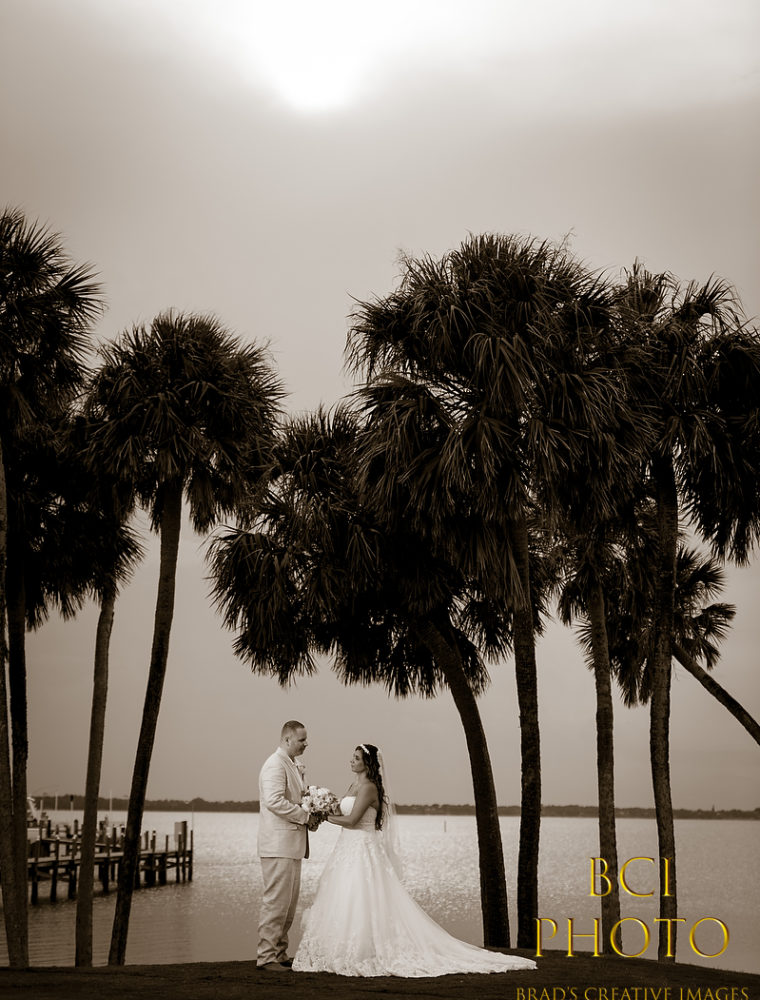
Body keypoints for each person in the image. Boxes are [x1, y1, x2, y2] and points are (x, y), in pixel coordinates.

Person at [292, 743, 537, 977]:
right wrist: (321, 803)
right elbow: (341, 812)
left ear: (367, 763)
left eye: (356, 758)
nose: (351, 761)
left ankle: (364, 951)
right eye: (352, 757)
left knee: (362, 897)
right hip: (346, 848)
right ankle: (341, 949)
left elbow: (353, 820)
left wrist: (322, 817)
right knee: (344, 896)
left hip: (362, 849)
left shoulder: (369, 788)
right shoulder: (353, 785)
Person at [257, 720, 317, 971]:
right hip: (278, 845)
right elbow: (274, 801)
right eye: (302, 740)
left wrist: (313, 812)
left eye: (305, 739)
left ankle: (280, 953)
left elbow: (297, 799)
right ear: (287, 739)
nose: (306, 743)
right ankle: (266, 956)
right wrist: (304, 816)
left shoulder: (292, 764)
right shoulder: (275, 764)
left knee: (289, 906)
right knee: (276, 903)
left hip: (292, 845)